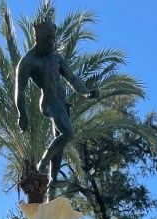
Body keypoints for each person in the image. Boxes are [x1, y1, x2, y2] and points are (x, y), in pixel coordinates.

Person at [15, 17, 98, 185]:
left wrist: (86, 93)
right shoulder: (29, 61)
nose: (52, 42)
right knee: (69, 133)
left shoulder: (56, 58)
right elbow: (20, 90)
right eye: (49, 39)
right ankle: (43, 162)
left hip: (63, 102)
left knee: (59, 143)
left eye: (53, 38)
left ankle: (52, 182)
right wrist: (22, 113)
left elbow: (72, 78)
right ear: (39, 38)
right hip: (49, 103)